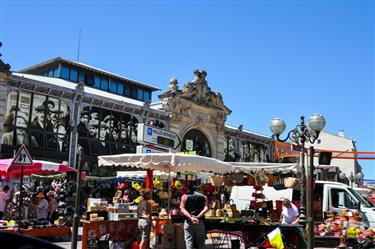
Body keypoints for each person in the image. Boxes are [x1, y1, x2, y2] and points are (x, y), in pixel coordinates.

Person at [180, 184, 209, 249]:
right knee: (201, 242)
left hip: (188, 222)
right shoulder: (204, 196)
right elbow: (206, 208)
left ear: (188, 189)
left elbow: (182, 209)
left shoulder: (184, 196)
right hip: (200, 221)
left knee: (189, 241)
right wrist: (198, 217)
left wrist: (190, 217)